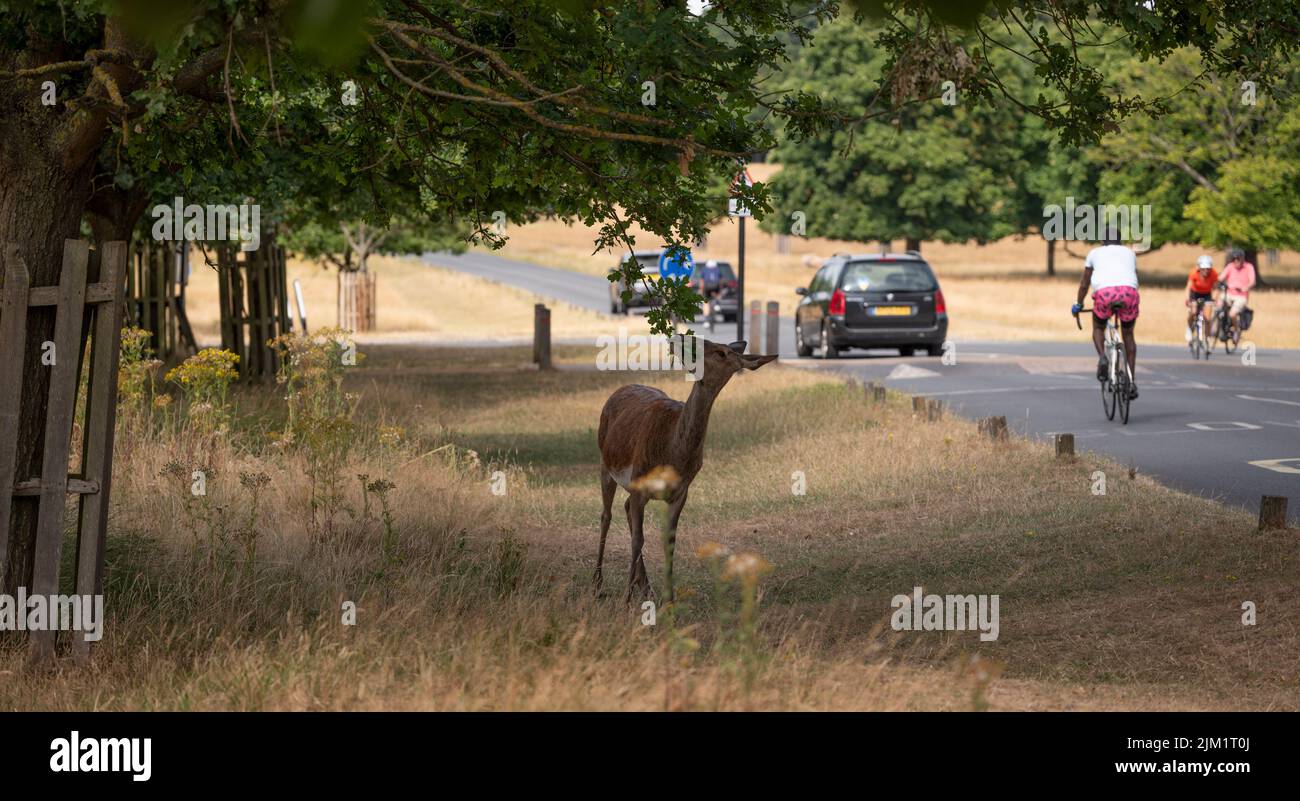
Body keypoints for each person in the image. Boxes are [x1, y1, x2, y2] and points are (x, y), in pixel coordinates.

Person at [1072, 234, 1140, 399]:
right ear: (1120, 241)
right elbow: (1133, 276)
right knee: (1129, 335)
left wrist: (1079, 303)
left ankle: (1103, 357)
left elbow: (1084, 283)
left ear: (1102, 242)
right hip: (1128, 293)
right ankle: (1131, 381)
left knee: (1098, 327)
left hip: (1105, 294)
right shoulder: (1130, 253)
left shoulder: (1094, 253)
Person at [1217, 248, 1256, 335]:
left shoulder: (1249, 267)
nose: (1236, 261)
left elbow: (1252, 281)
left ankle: (1236, 329)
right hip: (1229, 293)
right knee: (1218, 305)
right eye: (1234, 259)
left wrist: (1246, 287)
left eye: (1238, 258)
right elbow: (1221, 277)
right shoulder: (1230, 266)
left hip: (1241, 296)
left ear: (1242, 259)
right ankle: (1218, 326)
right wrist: (1219, 283)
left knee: (1232, 314)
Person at [1185, 255, 1217, 342]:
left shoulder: (1213, 274)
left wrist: (1214, 299)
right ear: (1199, 268)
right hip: (1195, 293)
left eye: (1208, 269)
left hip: (1207, 294)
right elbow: (1188, 287)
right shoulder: (1194, 273)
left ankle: (1207, 338)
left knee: (1207, 318)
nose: (1206, 271)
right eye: (1203, 269)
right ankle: (1189, 328)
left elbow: (1215, 288)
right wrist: (1187, 299)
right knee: (1193, 311)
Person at [694, 259, 723, 330]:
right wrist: (720, 291)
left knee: (706, 303)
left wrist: (701, 290)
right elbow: (720, 281)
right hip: (716, 286)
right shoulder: (718, 270)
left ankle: (706, 321)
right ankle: (717, 304)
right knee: (717, 294)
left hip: (707, 287)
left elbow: (702, 281)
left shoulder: (704, 270)